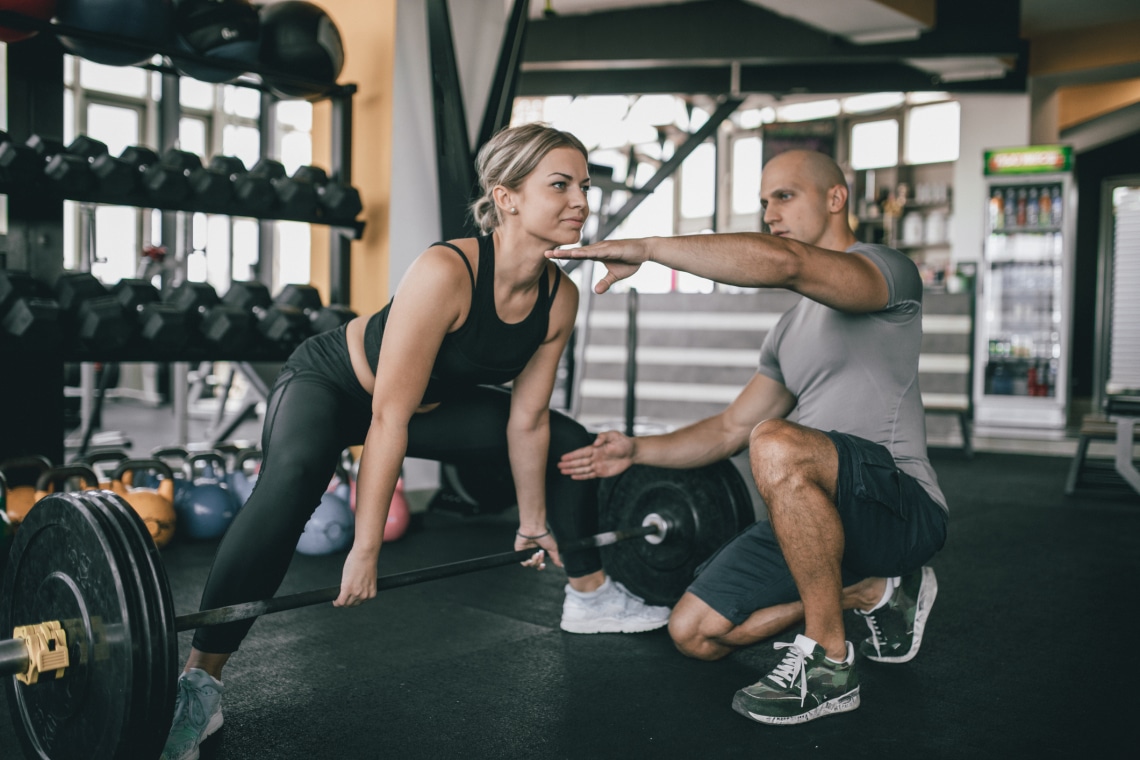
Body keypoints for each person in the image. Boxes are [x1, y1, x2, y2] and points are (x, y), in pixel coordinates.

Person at [161, 123, 671, 760]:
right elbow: (386, 421)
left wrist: (532, 521)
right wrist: (365, 547)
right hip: (335, 385)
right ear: (506, 196)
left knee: (569, 440)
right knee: (291, 485)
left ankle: (589, 595)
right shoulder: (447, 269)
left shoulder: (559, 297)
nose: (581, 201)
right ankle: (199, 681)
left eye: (585, 186)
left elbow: (529, 421)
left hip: (424, 405)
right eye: (560, 185)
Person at [548, 149, 947, 725]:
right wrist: (637, 451)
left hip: (899, 507)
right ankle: (868, 590)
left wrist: (651, 248)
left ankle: (830, 663)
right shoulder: (789, 329)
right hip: (813, 522)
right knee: (694, 632)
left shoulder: (887, 271)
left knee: (776, 441)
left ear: (836, 199)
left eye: (783, 196)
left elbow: (787, 263)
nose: (769, 213)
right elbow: (730, 427)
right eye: (763, 202)